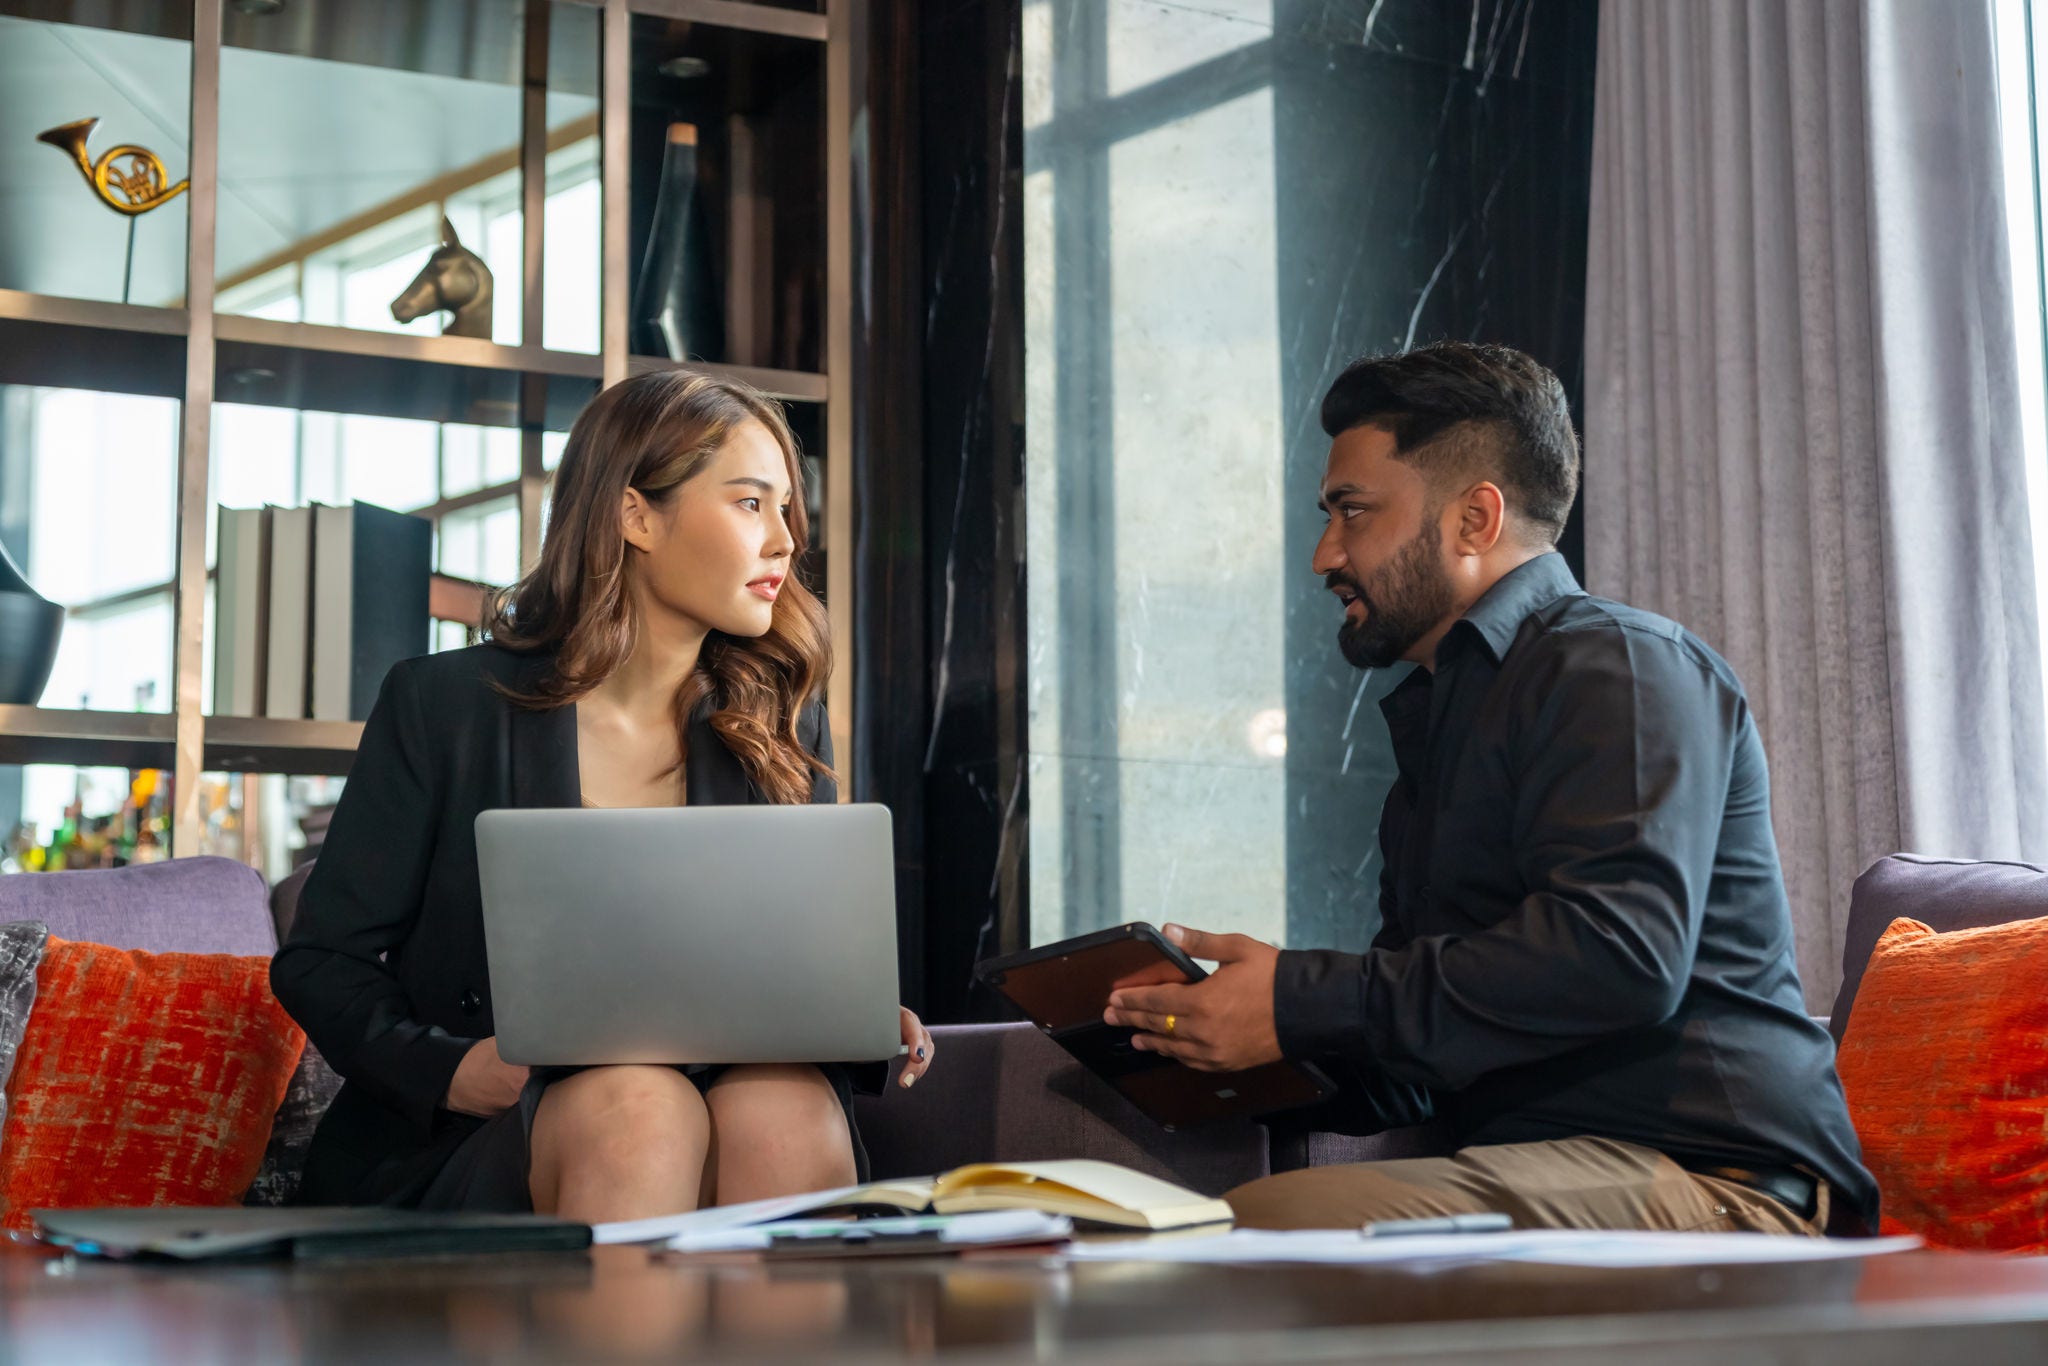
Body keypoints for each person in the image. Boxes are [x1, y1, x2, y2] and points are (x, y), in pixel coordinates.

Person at [1102, 341, 1878, 1236]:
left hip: (1718, 1179)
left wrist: (1300, 997)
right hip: (1540, 1170)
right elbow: (1422, 1051)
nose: (1324, 554)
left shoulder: (1617, 665)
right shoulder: (1445, 723)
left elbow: (1618, 957)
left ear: (1475, 518)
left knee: (1260, 1230)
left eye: (1353, 512)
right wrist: (1227, 1043)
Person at [272, 370, 935, 1223]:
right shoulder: (443, 708)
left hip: (729, 1096)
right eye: (749, 503)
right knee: (638, 1108)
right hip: (490, 1134)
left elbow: (767, 960)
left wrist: (849, 1008)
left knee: (788, 1109)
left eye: (785, 510)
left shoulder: (779, 724)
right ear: (635, 515)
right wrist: (448, 1069)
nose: (784, 542)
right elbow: (323, 961)